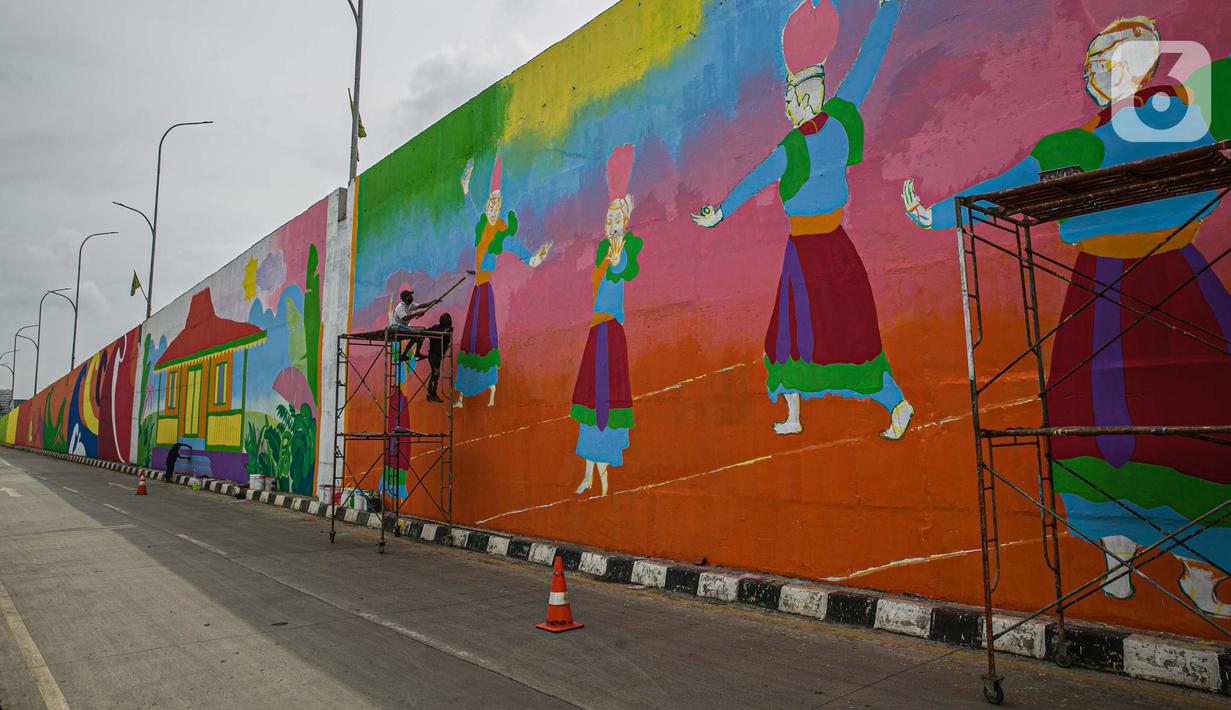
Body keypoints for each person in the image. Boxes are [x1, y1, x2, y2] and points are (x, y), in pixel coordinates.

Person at [901, 17, 1231, 614]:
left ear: (1150, 62)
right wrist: (935, 215)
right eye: (1098, 61)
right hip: (1101, 287)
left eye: (1123, 56)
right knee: (1095, 417)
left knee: (1199, 409)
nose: (1108, 69)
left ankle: (1199, 571)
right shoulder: (1075, 147)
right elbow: (1008, 187)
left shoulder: (1190, 116)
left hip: (1175, 280)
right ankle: (1116, 555)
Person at [690, 0, 912, 440]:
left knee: (847, 335)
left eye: (791, 94)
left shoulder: (800, 144)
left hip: (821, 248)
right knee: (794, 334)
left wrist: (720, 213)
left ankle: (897, 403)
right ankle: (797, 414)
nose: (788, 103)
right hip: (813, 251)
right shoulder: (833, 122)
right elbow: (868, 61)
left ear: (806, 95)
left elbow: (755, 178)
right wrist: (887, 10)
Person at [454, 153, 553, 408]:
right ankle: (463, 394)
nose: (492, 207)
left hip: (484, 290)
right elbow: (470, 206)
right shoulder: (481, 224)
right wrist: (466, 185)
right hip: (477, 290)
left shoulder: (501, 234)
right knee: (470, 340)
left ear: (499, 210)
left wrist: (535, 258)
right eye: (490, 203)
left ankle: (491, 390)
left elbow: (520, 251)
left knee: (485, 338)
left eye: (496, 205)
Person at [571, 144, 641, 496]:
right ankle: (587, 474)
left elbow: (630, 267)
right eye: (610, 221)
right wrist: (609, 260)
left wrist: (619, 260)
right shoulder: (603, 251)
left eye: (619, 220)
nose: (613, 226)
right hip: (595, 334)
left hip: (612, 334)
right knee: (589, 407)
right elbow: (599, 279)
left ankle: (604, 478)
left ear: (626, 222)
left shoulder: (628, 249)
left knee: (608, 404)